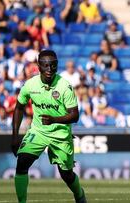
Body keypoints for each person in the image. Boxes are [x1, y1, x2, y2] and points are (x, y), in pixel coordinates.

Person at [11, 50, 87, 203]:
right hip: (38, 132)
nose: (49, 69)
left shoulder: (65, 87)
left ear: (57, 66)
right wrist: (14, 136)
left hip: (60, 135)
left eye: (53, 65)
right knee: (22, 163)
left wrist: (54, 119)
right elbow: (19, 107)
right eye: (45, 65)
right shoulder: (30, 85)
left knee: (67, 175)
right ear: (38, 66)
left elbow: (75, 115)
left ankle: (79, 195)